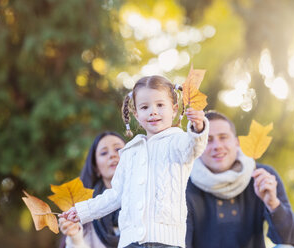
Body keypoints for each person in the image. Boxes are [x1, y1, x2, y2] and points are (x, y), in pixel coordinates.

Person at [60, 75, 209, 248]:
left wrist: (198, 127)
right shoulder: (130, 151)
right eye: (145, 107)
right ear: (136, 115)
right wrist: (81, 211)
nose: (153, 111)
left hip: (166, 241)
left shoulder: (177, 141)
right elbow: (116, 195)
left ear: (174, 109)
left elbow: (194, 148)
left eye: (160, 105)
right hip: (130, 242)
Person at [185, 111, 294, 248]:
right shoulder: (185, 184)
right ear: (197, 146)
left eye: (223, 137)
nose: (217, 146)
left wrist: (273, 204)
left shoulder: (262, 177)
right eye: (208, 140)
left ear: (237, 143)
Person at [58, 131, 126, 248]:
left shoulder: (147, 197)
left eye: (118, 149)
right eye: (104, 153)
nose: (112, 155)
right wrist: (75, 237)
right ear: (96, 168)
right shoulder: (85, 211)